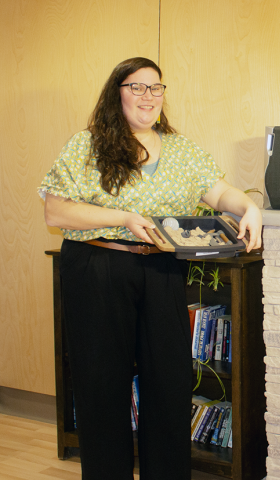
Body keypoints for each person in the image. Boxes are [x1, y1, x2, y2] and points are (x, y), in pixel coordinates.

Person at [38, 57, 262, 479]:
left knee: (170, 383)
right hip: (98, 266)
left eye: (155, 87)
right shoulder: (85, 145)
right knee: (102, 386)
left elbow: (220, 193)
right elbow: (55, 212)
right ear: (116, 92)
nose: (147, 96)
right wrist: (121, 217)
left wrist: (249, 207)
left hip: (161, 271)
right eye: (136, 87)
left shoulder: (182, 149)